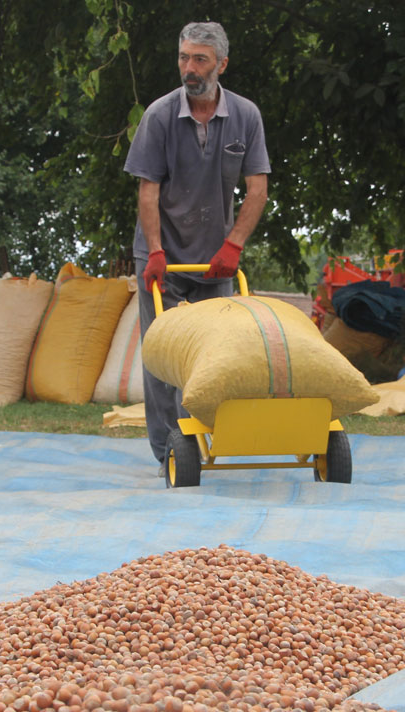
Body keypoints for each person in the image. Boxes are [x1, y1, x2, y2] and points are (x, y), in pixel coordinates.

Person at [123, 21, 271, 471]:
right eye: (184, 58)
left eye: (200, 59)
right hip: (162, 255)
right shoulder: (159, 116)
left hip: (215, 259)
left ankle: (207, 438)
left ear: (221, 64)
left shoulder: (246, 116)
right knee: (163, 354)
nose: (190, 68)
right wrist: (156, 252)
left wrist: (234, 246)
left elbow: (257, 188)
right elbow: (148, 192)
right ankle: (169, 450)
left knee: (214, 355)